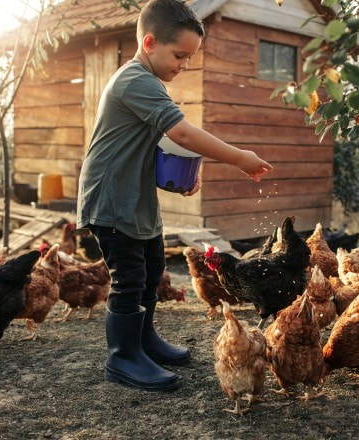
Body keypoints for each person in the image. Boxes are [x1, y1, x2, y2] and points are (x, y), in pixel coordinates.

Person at [76, 0, 273, 392]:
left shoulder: (148, 84)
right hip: (112, 200)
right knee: (129, 280)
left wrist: (177, 176)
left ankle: (143, 341)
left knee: (150, 273)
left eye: (189, 57)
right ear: (149, 42)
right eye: (179, 55)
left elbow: (152, 143)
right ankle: (122, 357)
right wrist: (239, 158)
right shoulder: (134, 80)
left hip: (136, 199)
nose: (183, 64)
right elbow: (181, 133)